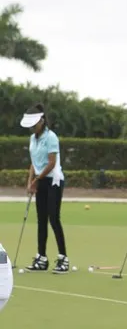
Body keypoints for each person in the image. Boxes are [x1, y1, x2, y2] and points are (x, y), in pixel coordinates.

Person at [20, 105, 68, 272]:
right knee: (41, 220)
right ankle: (41, 258)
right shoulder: (33, 139)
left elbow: (51, 162)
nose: (32, 128)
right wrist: (30, 181)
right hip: (40, 181)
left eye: (34, 124)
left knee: (54, 218)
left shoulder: (51, 137)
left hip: (53, 181)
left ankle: (63, 258)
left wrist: (37, 180)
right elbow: (34, 163)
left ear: (41, 121)